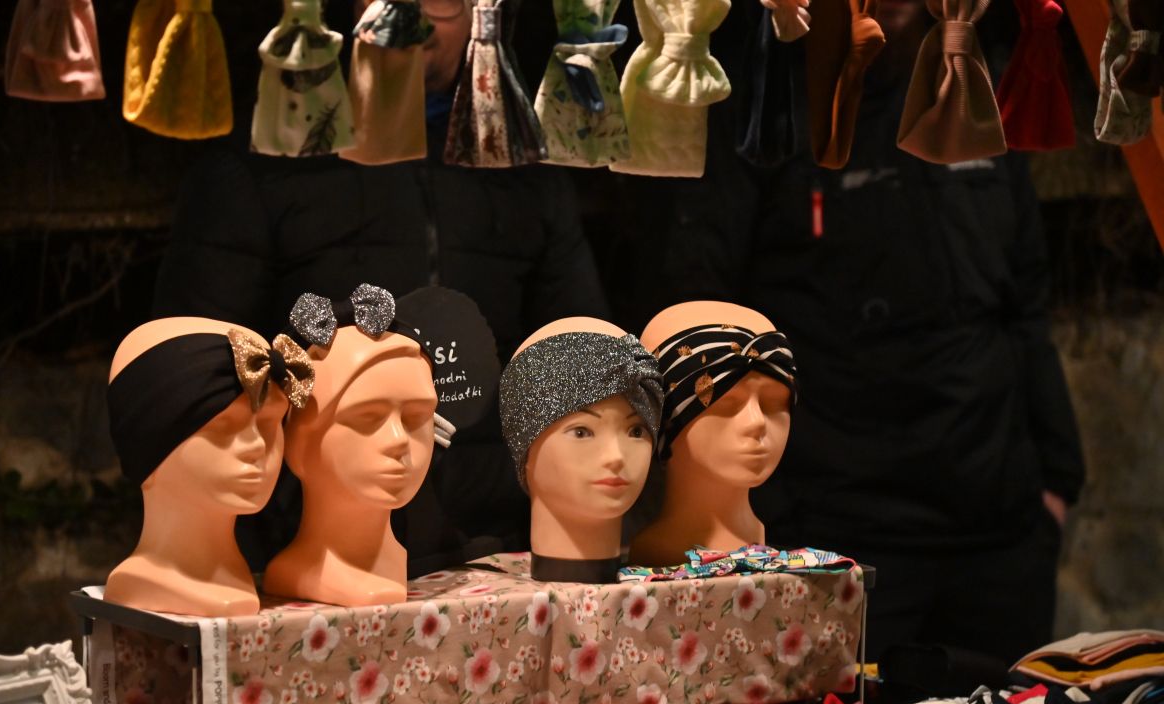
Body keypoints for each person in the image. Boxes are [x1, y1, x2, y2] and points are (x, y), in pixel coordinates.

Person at [612, 0, 1085, 665]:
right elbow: (697, 316)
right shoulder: (767, 107)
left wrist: (1058, 481)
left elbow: (1027, 303)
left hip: (997, 532)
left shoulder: (972, 85)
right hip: (839, 536)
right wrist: (769, 513)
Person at [153, 0, 609, 575]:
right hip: (310, 547)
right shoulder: (272, 156)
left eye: (442, 2)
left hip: (498, 537)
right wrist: (267, 523)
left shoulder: (522, 164)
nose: (412, 19)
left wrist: (551, 500)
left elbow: (580, 352)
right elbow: (197, 371)